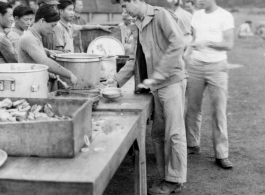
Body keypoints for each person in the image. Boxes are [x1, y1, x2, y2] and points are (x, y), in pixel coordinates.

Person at [110, 0, 188, 194]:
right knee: (158, 134)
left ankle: (175, 179)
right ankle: (166, 177)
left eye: (125, 6)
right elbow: (132, 59)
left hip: (171, 82)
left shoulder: (160, 15)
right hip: (156, 86)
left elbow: (178, 43)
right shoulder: (137, 24)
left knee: (174, 133)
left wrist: (159, 74)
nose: (124, 11)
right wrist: (115, 80)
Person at [185, 0, 234, 169]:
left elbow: (229, 44)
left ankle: (221, 154)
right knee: (192, 108)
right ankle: (192, 145)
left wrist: (208, 43)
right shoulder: (196, 15)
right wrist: (187, 54)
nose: (199, 1)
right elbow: (193, 39)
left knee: (218, 111)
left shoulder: (225, 16)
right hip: (195, 66)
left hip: (217, 67)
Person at [18, 5, 77, 85]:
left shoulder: (35, 36)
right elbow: (45, 61)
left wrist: (49, 52)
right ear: (42, 21)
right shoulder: (29, 38)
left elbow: (38, 50)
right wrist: (69, 74)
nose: (53, 31)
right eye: (52, 26)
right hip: (30, 86)